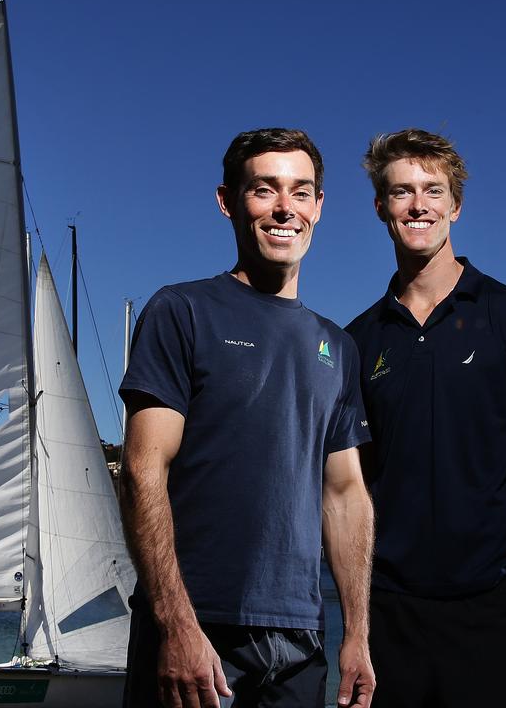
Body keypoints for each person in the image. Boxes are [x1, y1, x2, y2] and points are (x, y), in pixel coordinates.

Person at [118, 128, 376, 708]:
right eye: (265, 190)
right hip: (199, 629)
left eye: (301, 192)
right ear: (228, 201)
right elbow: (141, 472)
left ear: (319, 206)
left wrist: (356, 633)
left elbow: (345, 494)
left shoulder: (338, 346)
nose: (286, 208)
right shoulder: (181, 311)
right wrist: (177, 627)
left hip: (301, 640)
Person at [344, 128, 506, 707]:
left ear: (455, 204)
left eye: (433, 190)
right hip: (391, 620)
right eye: (402, 191)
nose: (418, 204)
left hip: (496, 615)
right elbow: (348, 488)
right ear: (381, 207)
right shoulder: (358, 341)